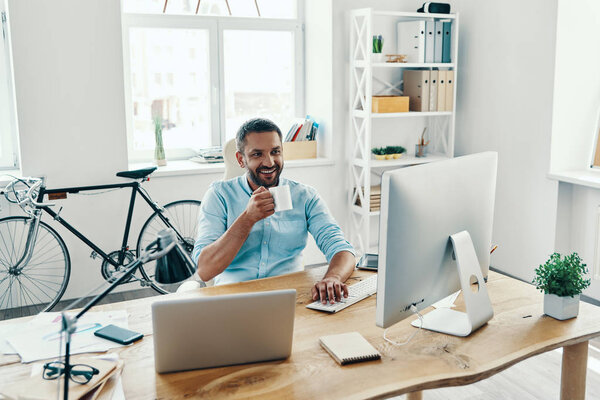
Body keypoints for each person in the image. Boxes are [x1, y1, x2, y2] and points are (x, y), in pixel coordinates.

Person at [192, 118, 356, 304]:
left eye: (275, 152)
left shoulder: (305, 196)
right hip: (234, 299)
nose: (269, 162)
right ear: (241, 159)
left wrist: (333, 277)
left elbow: (342, 249)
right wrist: (247, 218)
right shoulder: (219, 195)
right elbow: (204, 270)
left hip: (290, 297)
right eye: (257, 154)